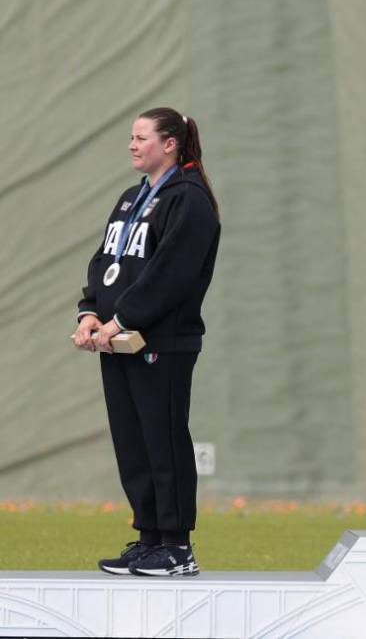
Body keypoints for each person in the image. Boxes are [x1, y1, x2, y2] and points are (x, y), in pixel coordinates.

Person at [73, 107, 220, 576]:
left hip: (163, 341)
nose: (133, 145)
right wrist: (91, 312)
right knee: (133, 442)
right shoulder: (130, 198)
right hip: (118, 341)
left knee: (164, 438)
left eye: (142, 138)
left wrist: (121, 319)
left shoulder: (189, 199)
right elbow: (105, 260)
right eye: (131, 138)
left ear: (170, 143)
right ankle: (149, 536)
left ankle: (177, 547)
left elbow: (172, 273)